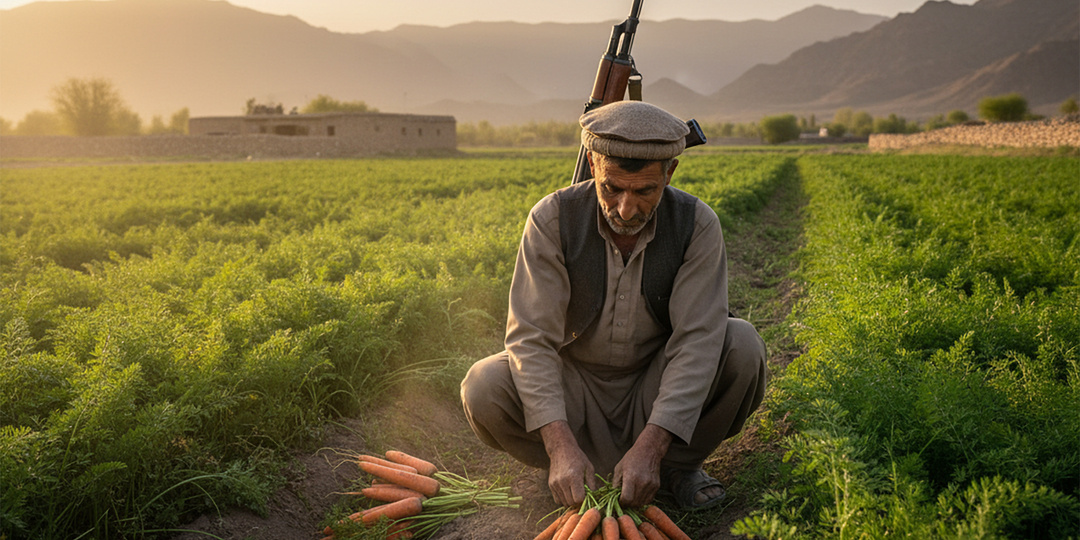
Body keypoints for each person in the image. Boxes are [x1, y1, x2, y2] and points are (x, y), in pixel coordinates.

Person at [460, 101, 767, 511]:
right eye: (612, 188)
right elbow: (531, 341)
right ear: (592, 163)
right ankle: (572, 467)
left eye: (644, 192)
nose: (626, 208)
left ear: (669, 173)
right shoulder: (552, 220)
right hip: (575, 394)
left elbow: (698, 343)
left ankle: (676, 467)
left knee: (741, 345)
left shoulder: (696, 225)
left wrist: (654, 447)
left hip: (654, 383)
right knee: (483, 385)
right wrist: (559, 445)